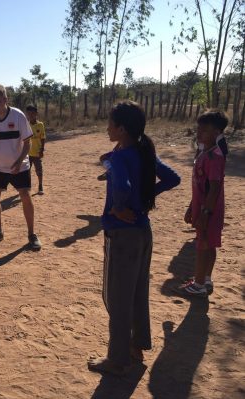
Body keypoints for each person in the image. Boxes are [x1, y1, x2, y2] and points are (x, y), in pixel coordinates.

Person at [88, 101, 180, 376]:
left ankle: (117, 359)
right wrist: (144, 198)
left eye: (110, 124)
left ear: (122, 128)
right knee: (137, 292)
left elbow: (122, 184)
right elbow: (173, 178)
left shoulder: (121, 157)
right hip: (143, 232)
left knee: (117, 298)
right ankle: (136, 347)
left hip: (122, 236)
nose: (107, 128)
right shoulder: (142, 151)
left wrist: (119, 205)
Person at [0, 84, 41, 250]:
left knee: (25, 194)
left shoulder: (17, 116)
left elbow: (27, 142)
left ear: (5, 100)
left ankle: (32, 234)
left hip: (20, 165)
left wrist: (19, 161)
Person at [176, 110, 228, 297]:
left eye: (204, 131)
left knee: (203, 245)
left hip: (210, 210)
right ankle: (206, 279)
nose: (199, 134)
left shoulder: (215, 157)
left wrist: (205, 213)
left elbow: (213, 188)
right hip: (203, 207)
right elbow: (201, 186)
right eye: (198, 129)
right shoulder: (204, 153)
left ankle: (198, 284)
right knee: (209, 244)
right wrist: (192, 207)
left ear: (217, 133)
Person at [25, 105, 46, 195]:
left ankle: (40, 185)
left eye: (33, 113)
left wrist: (41, 150)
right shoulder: (25, 124)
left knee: (39, 170)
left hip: (37, 153)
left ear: (36, 114)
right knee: (26, 170)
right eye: (29, 114)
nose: (31, 115)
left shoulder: (40, 125)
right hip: (27, 153)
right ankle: (27, 185)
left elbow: (43, 138)